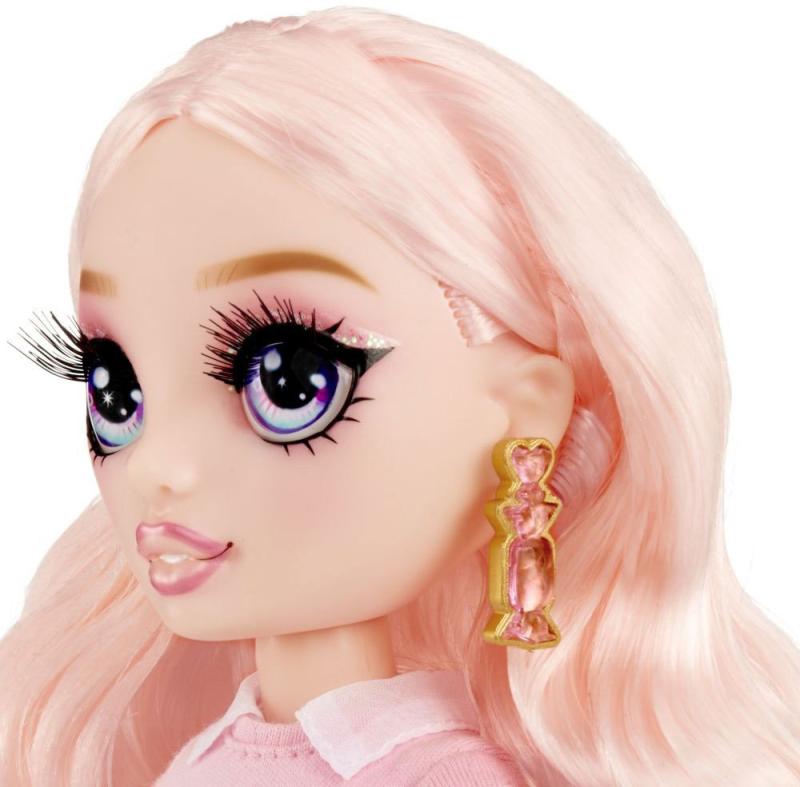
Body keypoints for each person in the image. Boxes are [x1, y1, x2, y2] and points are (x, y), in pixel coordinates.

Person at [2, 8, 798, 786]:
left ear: (523, 412)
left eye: (289, 380)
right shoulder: (196, 755)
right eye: (116, 388)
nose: (158, 466)